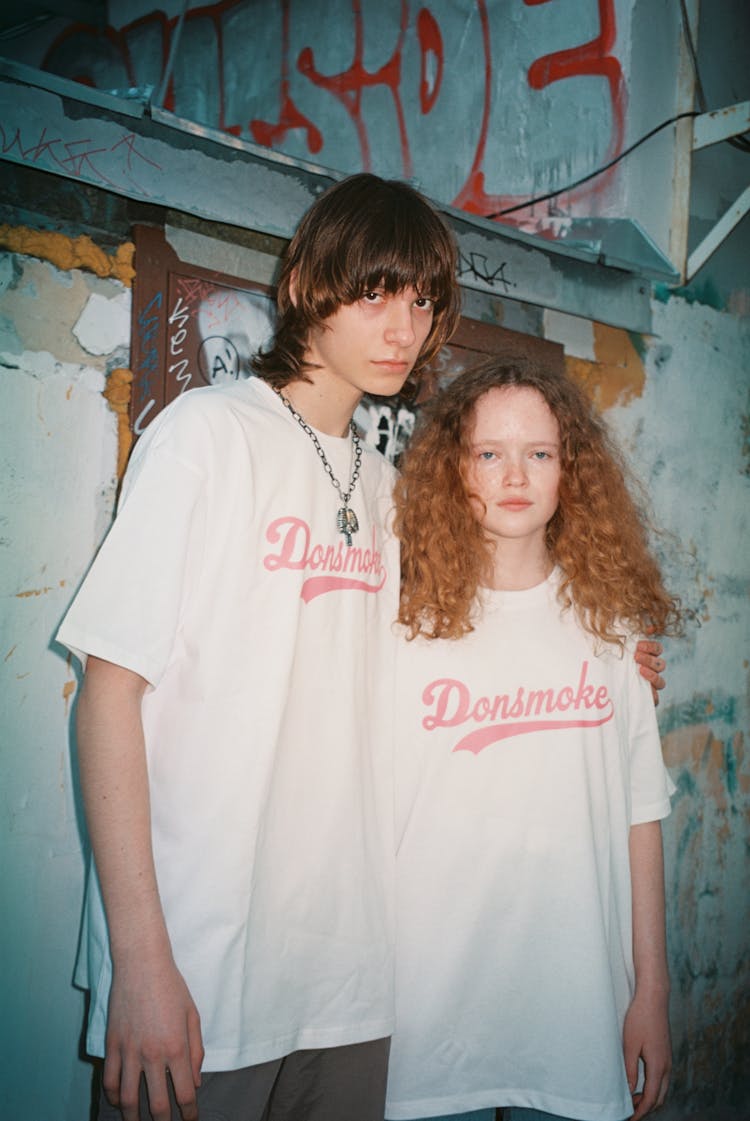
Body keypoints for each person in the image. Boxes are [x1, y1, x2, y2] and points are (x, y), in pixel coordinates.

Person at [57, 173, 461, 1121]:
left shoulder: (389, 485)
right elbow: (108, 692)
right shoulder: (206, 434)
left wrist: (604, 660)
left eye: (424, 299)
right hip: (199, 970)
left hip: (350, 975)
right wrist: (142, 960)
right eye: (376, 292)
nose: (404, 325)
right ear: (307, 287)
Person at [384, 359, 683, 1121]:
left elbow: (640, 819)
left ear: (569, 470)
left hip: (579, 1028)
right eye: (490, 452)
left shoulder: (613, 632)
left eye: (540, 453)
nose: (515, 474)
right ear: (455, 468)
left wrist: (652, 990)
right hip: (426, 1033)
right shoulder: (397, 625)